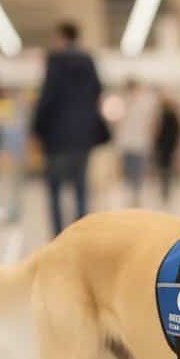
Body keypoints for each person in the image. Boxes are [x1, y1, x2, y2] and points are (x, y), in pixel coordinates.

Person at [31, 21, 109, 238]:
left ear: (61, 37)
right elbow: (97, 93)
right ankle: (79, 236)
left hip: (56, 138)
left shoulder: (54, 60)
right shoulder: (88, 61)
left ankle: (58, 237)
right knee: (80, 189)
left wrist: (36, 128)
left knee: (55, 190)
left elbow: (47, 98)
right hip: (83, 137)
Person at [116, 79, 158, 206]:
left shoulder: (146, 102)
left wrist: (150, 140)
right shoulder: (123, 102)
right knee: (128, 171)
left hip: (140, 143)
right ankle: (130, 195)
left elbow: (151, 123)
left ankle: (137, 195)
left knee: (138, 171)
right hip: (127, 143)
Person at [153, 90, 180, 206]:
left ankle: (166, 192)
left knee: (165, 171)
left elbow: (160, 132)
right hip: (168, 147)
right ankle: (166, 192)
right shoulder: (171, 116)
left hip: (165, 147)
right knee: (167, 171)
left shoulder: (166, 116)